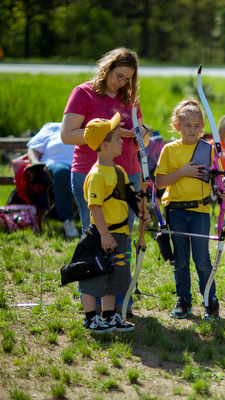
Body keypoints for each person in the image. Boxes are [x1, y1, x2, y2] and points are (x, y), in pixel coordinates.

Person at [61, 47, 150, 316]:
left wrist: (141, 133)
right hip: (92, 173)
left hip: (128, 173)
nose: (121, 82)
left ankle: (120, 303)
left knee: (122, 238)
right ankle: (94, 305)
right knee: (97, 238)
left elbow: (143, 139)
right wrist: (109, 132)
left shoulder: (130, 98)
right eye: (118, 75)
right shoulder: (83, 92)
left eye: (127, 79)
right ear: (107, 67)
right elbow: (67, 135)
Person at [155, 99, 225, 320]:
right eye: (187, 125)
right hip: (176, 211)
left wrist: (221, 190)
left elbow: (218, 179)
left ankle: (210, 300)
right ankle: (184, 301)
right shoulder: (169, 149)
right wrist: (184, 171)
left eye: (197, 126)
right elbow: (159, 182)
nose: (193, 130)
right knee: (181, 260)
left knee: (202, 259)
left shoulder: (208, 149)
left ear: (202, 127)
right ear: (176, 126)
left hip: (200, 211)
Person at [80, 113, 149, 333]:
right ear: (104, 144)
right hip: (103, 235)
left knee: (115, 277)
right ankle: (91, 318)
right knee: (93, 277)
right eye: (118, 138)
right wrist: (104, 235)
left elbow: (129, 195)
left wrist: (140, 213)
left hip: (120, 234)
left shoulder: (118, 170)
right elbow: (95, 208)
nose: (122, 142)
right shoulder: (96, 175)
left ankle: (109, 317)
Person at [26, 122, 78, 238]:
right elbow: (32, 149)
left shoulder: (87, 127)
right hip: (53, 167)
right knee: (62, 172)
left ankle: (97, 224)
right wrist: (36, 164)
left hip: (81, 167)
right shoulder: (52, 127)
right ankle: (67, 221)